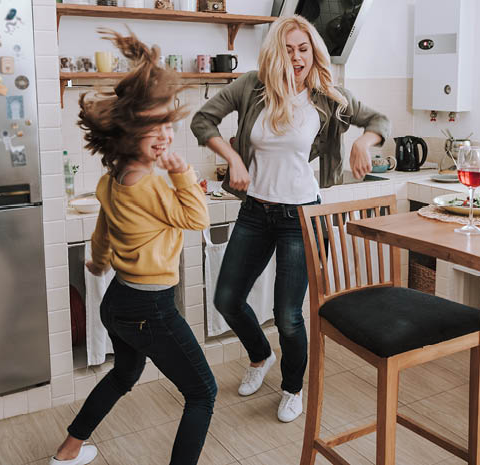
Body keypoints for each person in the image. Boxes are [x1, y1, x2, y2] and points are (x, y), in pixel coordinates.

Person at [191, 15, 390, 423]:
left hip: (301, 216)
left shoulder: (326, 95)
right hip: (255, 211)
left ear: (313, 52)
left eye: (304, 48)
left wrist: (364, 144)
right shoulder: (251, 86)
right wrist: (231, 160)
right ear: (274, 52)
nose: (296, 57)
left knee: (288, 315)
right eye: (288, 48)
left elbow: (378, 121)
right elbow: (202, 120)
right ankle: (260, 356)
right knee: (226, 299)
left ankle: (293, 387)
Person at [50, 28, 215, 465]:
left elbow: (102, 228)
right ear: (125, 134)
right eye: (151, 127)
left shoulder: (112, 180)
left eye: (166, 123)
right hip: (151, 310)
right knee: (202, 392)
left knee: (124, 374)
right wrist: (182, 176)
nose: (163, 135)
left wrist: (98, 261)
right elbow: (198, 219)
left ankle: (69, 450)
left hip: (118, 301)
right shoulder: (155, 187)